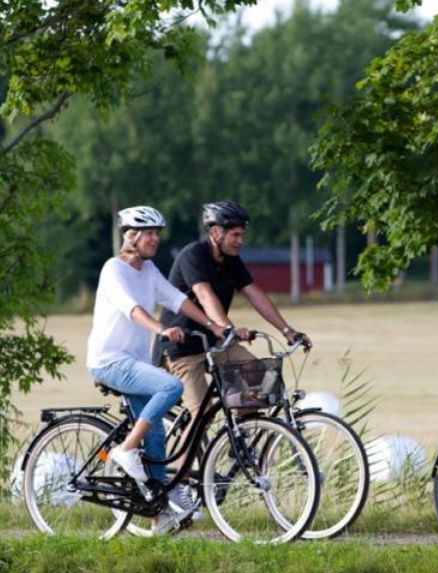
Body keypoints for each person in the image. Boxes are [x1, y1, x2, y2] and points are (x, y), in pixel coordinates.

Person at [87, 206, 234, 534]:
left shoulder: (150, 270)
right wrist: (161, 329)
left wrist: (213, 324)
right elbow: (133, 309)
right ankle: (124, 450)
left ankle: (158, 515)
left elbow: (178, 301)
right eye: (149, 232)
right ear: (131, 237)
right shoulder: (114, 270)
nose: (156, 238)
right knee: (171, 388)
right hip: (110, 360)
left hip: (134, 362)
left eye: (157, 232)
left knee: (154, 438)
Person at [159, 201, 311, 414]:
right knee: (202, 416)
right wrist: (228, 328)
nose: (241, 241)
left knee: (257, 379)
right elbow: (204, 295)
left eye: (242, 234)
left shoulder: (232, 261)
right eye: (235, 235)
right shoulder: (193, 255)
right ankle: (186, 449)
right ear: (215, 232)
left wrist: (287, 330)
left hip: (216, 343)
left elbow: (255, 294)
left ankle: (241, 440)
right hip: (183, 347)